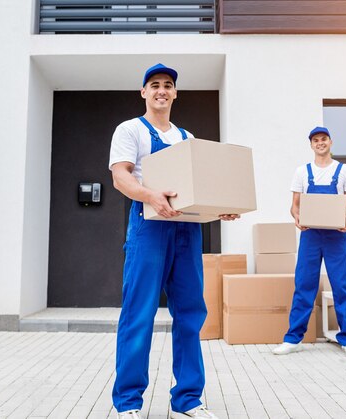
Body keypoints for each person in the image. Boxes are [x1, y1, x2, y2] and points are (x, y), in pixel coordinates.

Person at [109, 63, 238, 419]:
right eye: (154, 85)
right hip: (148, 228)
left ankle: (187, 399)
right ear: (144, 92)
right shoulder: (130, 130)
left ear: (176, 93)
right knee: (139, 312)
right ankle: (129, 403)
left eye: (168, 85)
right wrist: (151, 196)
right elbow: (121, 177)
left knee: (191, 313)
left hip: (186, 230)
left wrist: (222, 208)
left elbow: (202, 189)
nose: (161, 90)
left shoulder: (188, 138)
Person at [272, 126, 346, 358]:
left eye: (323, 139)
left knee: (341, 286)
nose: (320, 143)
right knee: (304, 285)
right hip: (311, 235)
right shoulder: (303, 171)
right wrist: (297, 217)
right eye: (315, 140)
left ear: (330, 142)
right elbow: (295, 205)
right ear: (311, 145)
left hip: (336, 235)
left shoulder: (344, 171)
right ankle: (293, 339)